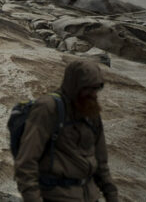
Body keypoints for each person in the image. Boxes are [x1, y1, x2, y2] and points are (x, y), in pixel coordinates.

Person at [14, 60, 119, 202]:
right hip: (57, 196)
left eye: (96, 89)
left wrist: (111, 195)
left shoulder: (91, 112)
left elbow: (101, 162)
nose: (93, 94)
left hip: (90, 196)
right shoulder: (48, 108)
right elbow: (26, 163)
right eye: (88, 89)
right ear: (75, 85)